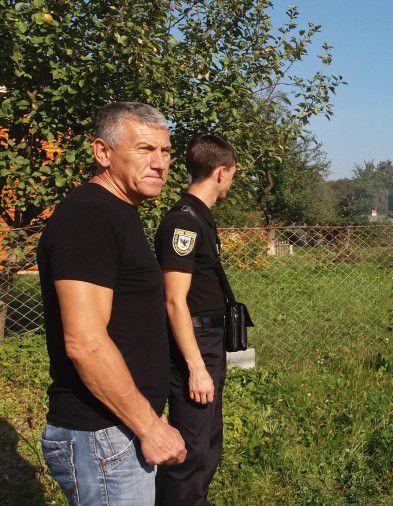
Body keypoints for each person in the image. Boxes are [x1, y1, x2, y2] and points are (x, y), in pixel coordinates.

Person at [37, 102, 186, 505]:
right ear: (103, 152)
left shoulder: (118, 213)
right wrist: (149, 427)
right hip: (101, 435)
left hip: (118, 428)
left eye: (165, 151)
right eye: (144, 149)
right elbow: (85, 343)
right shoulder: (89, 216)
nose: (160, 163)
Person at [155, 134, 238, 505]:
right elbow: (174, 301)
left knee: (207, 443)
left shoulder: (201, 218)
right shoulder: (183, 223)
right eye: (232, 173)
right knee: (190, 451)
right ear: (220, 172)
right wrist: (196, 367)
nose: (231, 181)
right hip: (194, 344)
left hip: (209, 342)